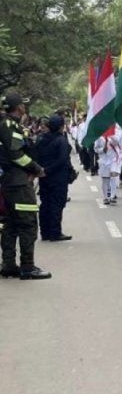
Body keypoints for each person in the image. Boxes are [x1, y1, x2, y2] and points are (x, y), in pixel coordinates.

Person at [0, 93, 50, 279]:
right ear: (18, 107)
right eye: (23, 105)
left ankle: (9, 264)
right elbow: (16, 154)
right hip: (18, 183)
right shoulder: (10, 125)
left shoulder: (8, 124)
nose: (24, 108)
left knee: (11, 224)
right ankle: (27, 267)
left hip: (10, 182)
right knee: (28, 224)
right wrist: (36, 168)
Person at [36, 115, 73, 241]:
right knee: (56, 205)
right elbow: (62, 160)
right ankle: (55, 233)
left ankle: (44, 232)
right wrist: (48, 170)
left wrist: (42, 170)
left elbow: (37, 156)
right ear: (61, 127)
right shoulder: (61, 140)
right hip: (57, 178)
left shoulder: (41, 139)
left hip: (44, 177)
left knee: (45, 204)